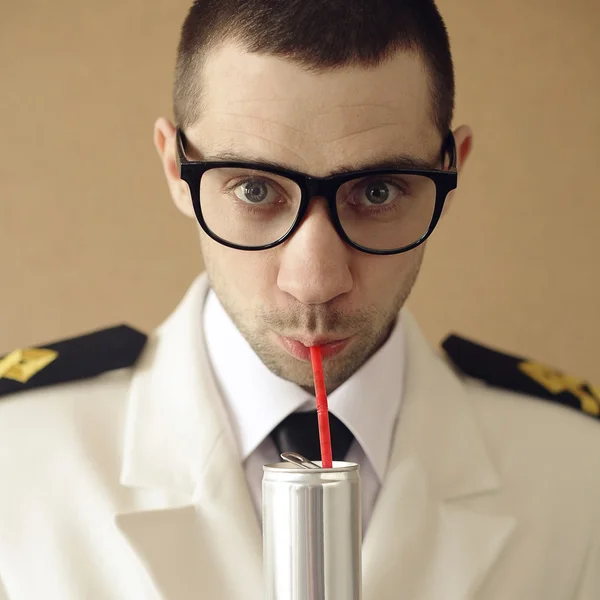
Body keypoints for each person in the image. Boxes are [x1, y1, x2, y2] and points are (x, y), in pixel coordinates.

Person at [0, 0, 598, 598]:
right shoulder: (15, 455)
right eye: (255, 188)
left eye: (379, 190)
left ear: (453, 169)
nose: (315, 282)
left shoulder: (578, 470)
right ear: (176, 169)